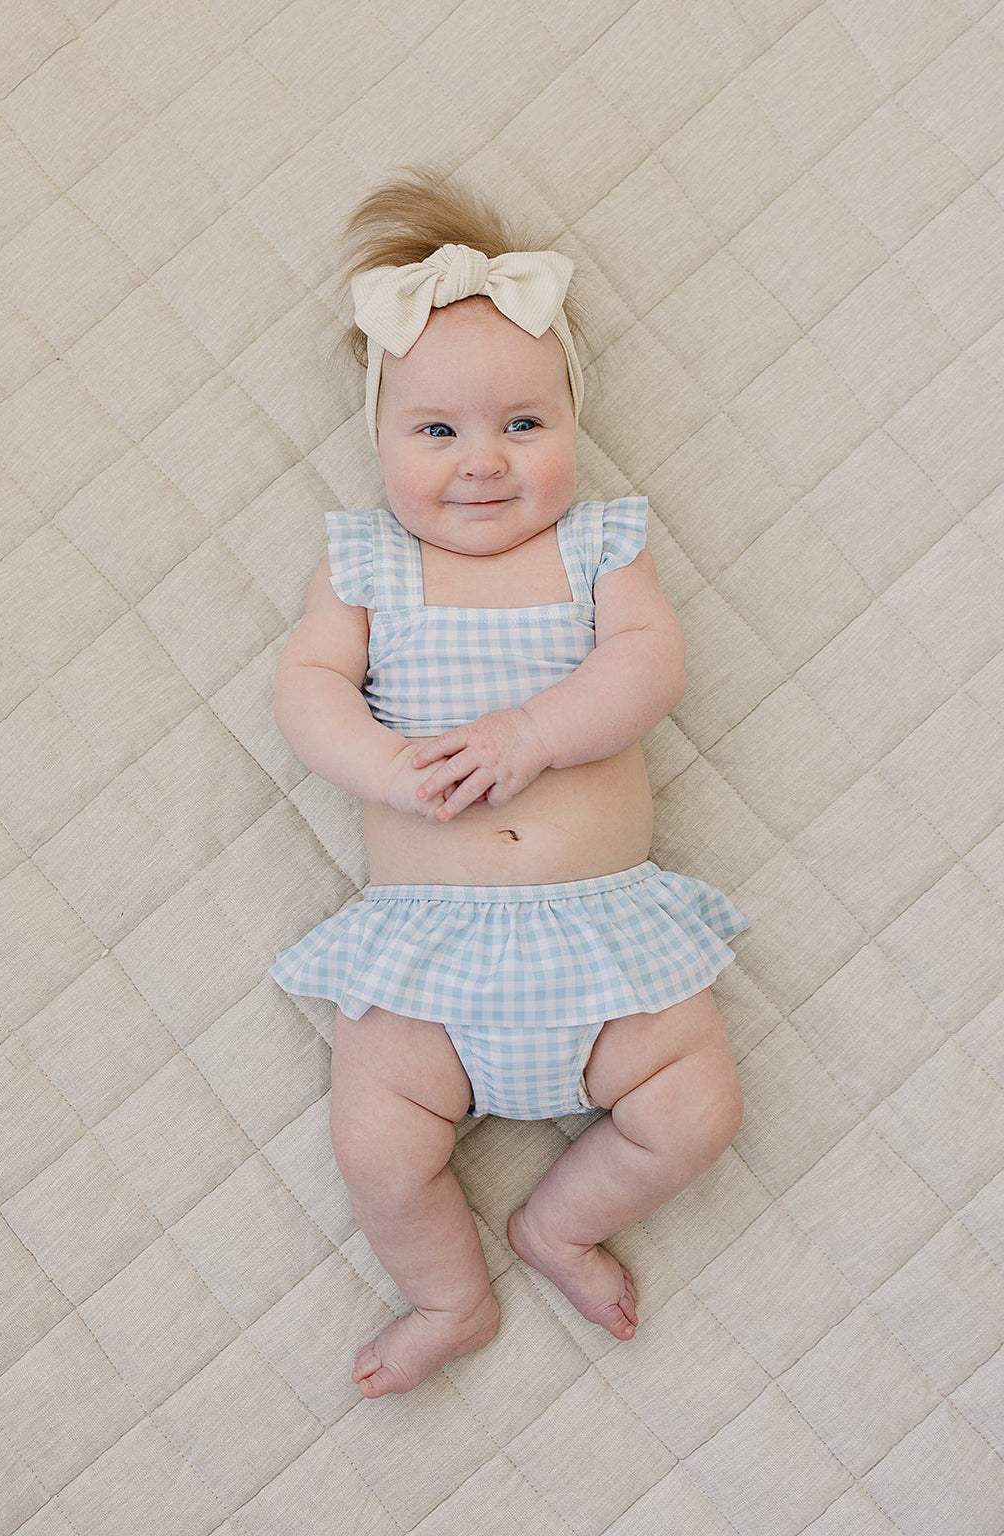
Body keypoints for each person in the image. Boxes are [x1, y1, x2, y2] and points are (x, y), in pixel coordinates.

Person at [270, 168, 747, 1399]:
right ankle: (449, 1295)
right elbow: (309, 687)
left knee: (694, 1107)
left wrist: (537, 731)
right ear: (379, 439)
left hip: (604, 941)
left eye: (522, 426)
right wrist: (380, 762)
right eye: (436, 431)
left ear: (571, 426)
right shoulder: (365, 564)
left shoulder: (600, 546)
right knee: (377, 1146)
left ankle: (558, 1226)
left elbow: (650, 665)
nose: (482, 462)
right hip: (428, 953)